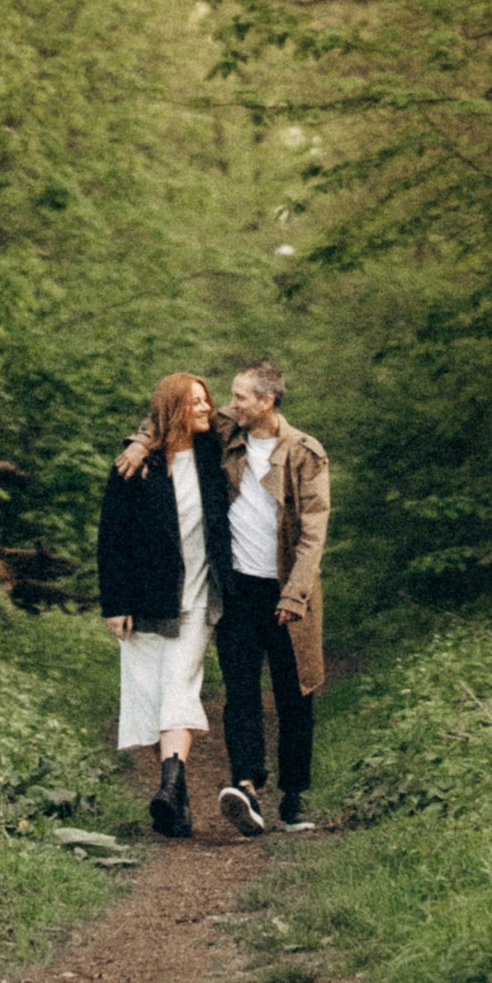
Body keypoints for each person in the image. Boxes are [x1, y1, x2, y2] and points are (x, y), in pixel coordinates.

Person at [118, 358, 331, 837]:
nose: (226, 405)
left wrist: (294, 595)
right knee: (241, 694)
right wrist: (138, 442)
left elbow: (313, 536)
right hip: (236, 589)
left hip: (290, 595)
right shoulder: (227, 434)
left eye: (240, 398)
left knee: (295, 697)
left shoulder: (304, 453)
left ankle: (294, 798)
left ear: (267, 402)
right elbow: (168, 413)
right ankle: (247, 786)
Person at [94, 370, 232, 839]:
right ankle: (175, 794)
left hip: (197, 600)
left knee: (178, 687)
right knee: (153, 698)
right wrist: (115, 603)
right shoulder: (136, 467)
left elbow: (246, 416)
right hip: (145, 598)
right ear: (173, 408)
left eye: (206, 400)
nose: (205, 409)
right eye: (194, 402)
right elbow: (111, 539)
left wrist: (144, 435)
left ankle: (170, 783)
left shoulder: (214, 453)